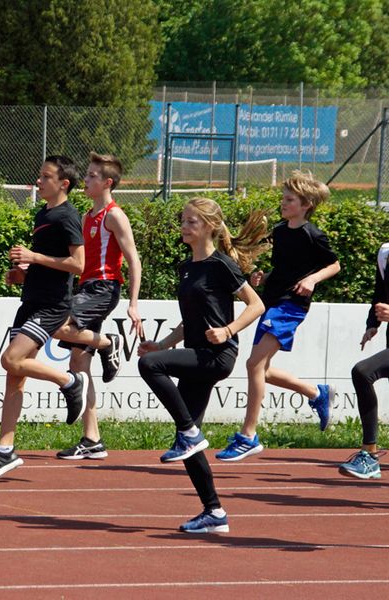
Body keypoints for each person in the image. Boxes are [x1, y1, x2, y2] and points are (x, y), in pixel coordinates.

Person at [138, 197, 266, 534]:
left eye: (191, 221)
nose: (184, 225)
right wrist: (163, 345)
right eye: (183, 220)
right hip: (196, 353)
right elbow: (189, 321)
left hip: (217, 357)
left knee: (151, 367)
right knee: (188, 437)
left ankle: (190, 433)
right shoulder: (187, 267)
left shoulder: (221, 264)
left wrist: (228, 330)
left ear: (209, 226)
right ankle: (214, 512)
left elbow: (256, 305)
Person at [0, 155, 88, 480]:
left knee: (10, 359)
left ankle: (69, 381)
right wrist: (24, 273)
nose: (39, 181)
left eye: (46, 177)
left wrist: (34, 256)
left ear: (63, 183)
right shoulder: (44, 213)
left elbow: (78, 264)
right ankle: (5, 450)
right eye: (40, 176)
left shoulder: (67, 215)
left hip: (52, 305)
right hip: (31, 299)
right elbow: (50, 265)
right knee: (15, 375)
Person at [216, 170, 340, 462]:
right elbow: (285, 270)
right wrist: (263, 277)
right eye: (283, 198)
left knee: (253, 364)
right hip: (272, 301)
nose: (283, 203)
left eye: (289, 199)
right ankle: (316, 393)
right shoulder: (281, 231)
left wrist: (312, 281)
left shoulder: (313, 234)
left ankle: (248, 435)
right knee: (263, 370)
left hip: (291, 306)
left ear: (306, 204)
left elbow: (334, 265)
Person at [54, 152, 143, 460]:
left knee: (53, 323)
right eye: (87, 174)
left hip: (104, 288)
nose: (87, 180)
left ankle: (109, 343)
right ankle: (92, 438)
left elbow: (133, 260)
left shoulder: (114, 215)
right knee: (79, 367)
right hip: (86, 287)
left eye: (92, 176)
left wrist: (133, 303)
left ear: (107, 182)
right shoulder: (86, 216)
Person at [338, 242, 389, 479]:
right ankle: (369, 456)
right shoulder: (385, 252)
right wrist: (372, 324)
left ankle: (369, 454)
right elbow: (381, 293)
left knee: (362, 371)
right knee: (363, 372)